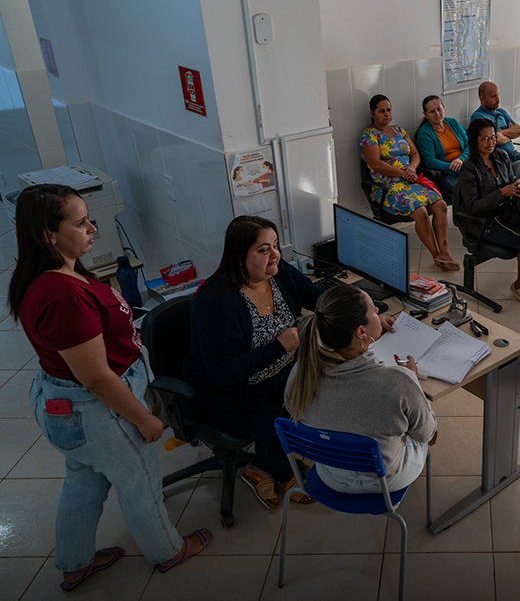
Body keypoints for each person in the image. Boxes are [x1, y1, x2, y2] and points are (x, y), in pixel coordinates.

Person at [9, 184, 211, 590]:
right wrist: (143, 419)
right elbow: (97, 378)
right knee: (141, 484)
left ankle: (75, 562)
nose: (93, 230)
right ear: (50, 234)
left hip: (65, 404)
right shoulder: (64, 297)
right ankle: (168, 551)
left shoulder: (49, 274)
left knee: (82, 484)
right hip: (98, 411)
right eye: (81, 223)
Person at [183, 216, 395, 509]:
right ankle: (267, 469)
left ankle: (276, 461)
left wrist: (369, 319)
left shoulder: (279, 273)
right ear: (239, 256)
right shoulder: (217, 303)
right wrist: (278, 347)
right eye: (263, 250)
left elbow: (321, 301)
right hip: (234, 390)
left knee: (333, 391)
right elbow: (222, 373)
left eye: (276, 246)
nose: (275, 256)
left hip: (284, 370)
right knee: (275, 426)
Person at [285, 284, 436, 493]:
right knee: (419, 425)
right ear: (361, 331)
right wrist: (413, 381)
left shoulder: (300, 373)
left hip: (329, 472)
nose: (378, 311)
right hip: (383, 480)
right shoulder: (399, 382)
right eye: (374, 310)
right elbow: (426, 434)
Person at [456, 118, 520, 306]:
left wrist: (518, 184)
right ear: (474, 140)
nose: (490, 143)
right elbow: (473, 206)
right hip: (485, 221)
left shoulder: (501, 156)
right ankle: (519, 285)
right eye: (484, 139)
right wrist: (501, 193)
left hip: (509, 213)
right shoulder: (469, 167)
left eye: (492, 137)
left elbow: (511, 178)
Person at [360, 94, 459, 272]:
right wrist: (403, 173)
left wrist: (412, 169)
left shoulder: (399, 130)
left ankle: (445, 253)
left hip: (412, 180)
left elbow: (415, 154)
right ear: (372, 113)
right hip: (389, 187)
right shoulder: (369, 136)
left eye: (389, 110)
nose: (386, 114)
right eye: (381, 111)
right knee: (420, 211)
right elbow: (375, 164)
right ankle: (435, 254)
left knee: (441, 205)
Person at [471, 81, 520, 183]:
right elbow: (496, 140)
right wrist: (509, 134)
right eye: (493, 97)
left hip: (514, 154)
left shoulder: (501, 112)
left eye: (498, 95)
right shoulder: (478, 117)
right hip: (498, 158)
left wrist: (502, 134)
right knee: (519, 180)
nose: (498, 100)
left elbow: (518, 131)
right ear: (482, 99)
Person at [414, 95, 469, 196]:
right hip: (446, 174)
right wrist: (453, 167)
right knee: (467, 191)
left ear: (443, 107)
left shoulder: (452, 122)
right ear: (425, 114)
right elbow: (430, 161)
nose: (437, 114)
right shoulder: (425, 133)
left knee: (486, 184)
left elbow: (469, 144)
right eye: (432, 111)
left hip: (466, 166)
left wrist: (461, 159)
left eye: (439, 109)